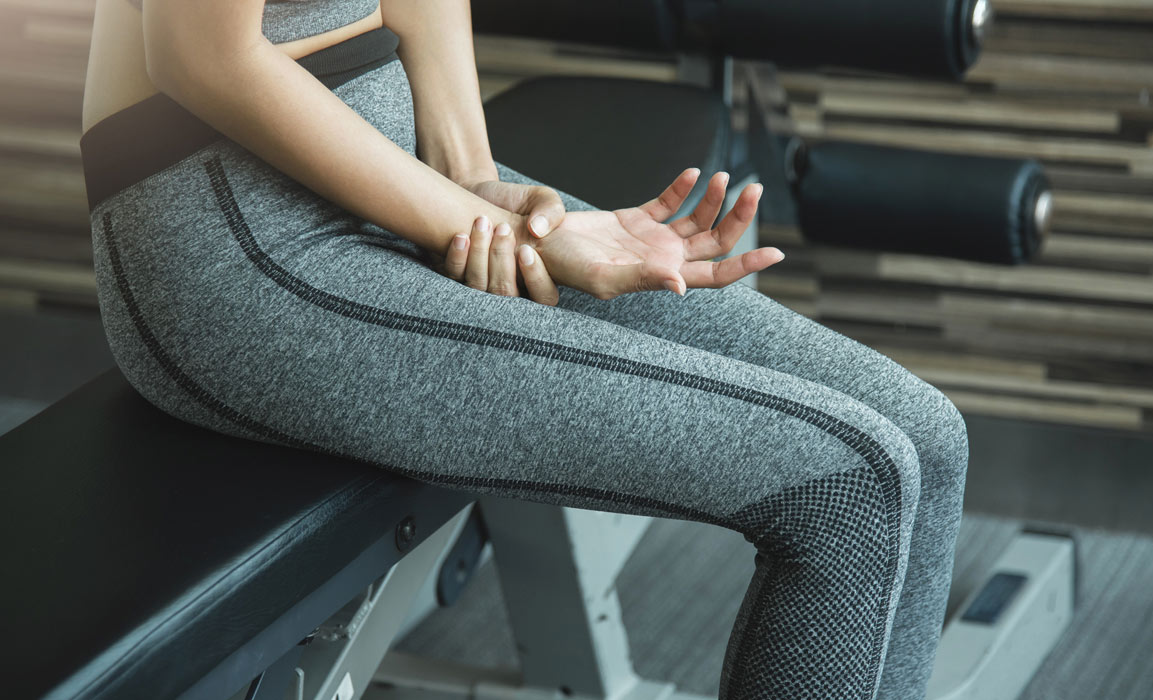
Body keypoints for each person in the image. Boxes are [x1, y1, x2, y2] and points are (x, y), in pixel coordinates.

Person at [78, 1, 969, 698]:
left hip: (394, 184)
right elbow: (202, 54)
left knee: (926, 439)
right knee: (850, 483)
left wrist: (480, 183)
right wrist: (473, 219)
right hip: (238, 247)